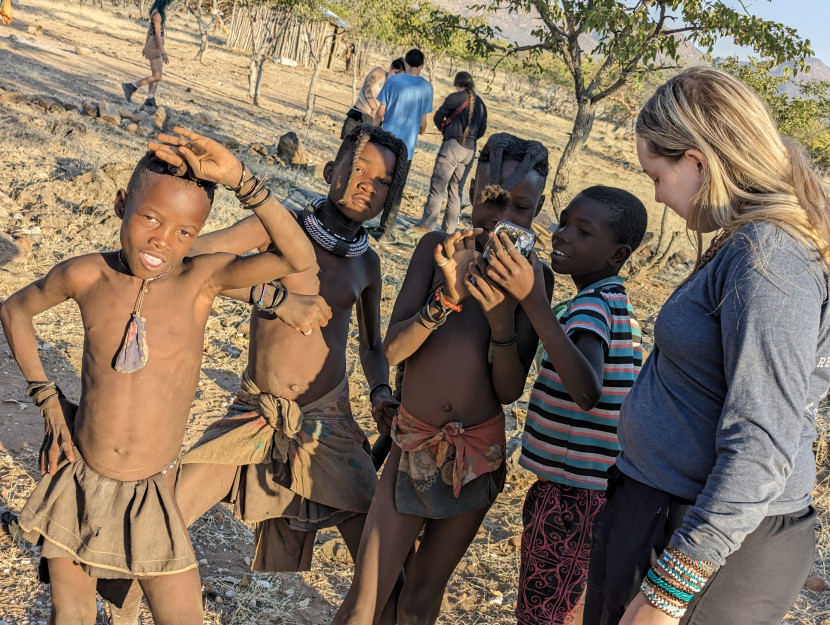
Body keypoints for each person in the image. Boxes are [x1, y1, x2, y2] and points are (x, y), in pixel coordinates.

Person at [0, 128, 315, 624]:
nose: (161, 241)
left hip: (151, 495)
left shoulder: (201, 281)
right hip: (79, 480)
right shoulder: (85, 276)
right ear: (122, 203)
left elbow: (300, 258)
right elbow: (15, 310)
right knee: (72, 615)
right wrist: (47, 398)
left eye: (184, 233)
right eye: (150, 217)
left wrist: (240, 179)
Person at [109, 123, 412, 623]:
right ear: (331, 169)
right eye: (358, 169)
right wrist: (270, 296)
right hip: (256, 412)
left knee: (383, 563)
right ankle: (119, 613)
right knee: (164, 518)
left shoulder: (368, 265)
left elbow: (373, 346)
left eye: (382, 182)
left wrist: (380, 390)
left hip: (327, 424)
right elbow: (194, 264)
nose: (366, 185)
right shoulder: (278, 226)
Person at [583, 66, 830, 625]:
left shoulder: (770, 257)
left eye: (656, 175)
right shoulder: (752, 239)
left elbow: (762, 445)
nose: (656, 194)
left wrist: (669, 591)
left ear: (697, 162)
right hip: (673, 512)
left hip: (706, 535)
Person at [331, 133, 553, 625]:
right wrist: (446, 298)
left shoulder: (535, 279)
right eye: (493, 201)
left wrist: (500, 318)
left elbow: (509, 390)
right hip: (413, 445)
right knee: (364, 602)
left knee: (419, 602)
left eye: (522, 208)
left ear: (538, 210)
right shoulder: (435, 250)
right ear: (471, 189)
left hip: (477, 456)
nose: (504, 220)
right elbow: (392, 350)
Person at [481, 186, 647, 625]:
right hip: (589, 490)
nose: (561, 236)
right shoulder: (611, 302)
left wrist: (534, 303)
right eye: (563, 222)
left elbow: (587, 391)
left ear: (618, 253)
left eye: (583, 232)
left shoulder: (591, 308)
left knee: (543, 613)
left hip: (574, 497)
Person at [371, 48, 434, 244]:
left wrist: (373, 130)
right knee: (396, 189)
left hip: (386, 142)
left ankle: (362, 218)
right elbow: (423, 124)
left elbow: (380, 112)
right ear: (422, 65)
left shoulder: (393, 81)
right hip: (406, 147)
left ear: (405, 63)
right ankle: (386, 232)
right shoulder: (427, 87)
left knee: (375, 180)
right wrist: (419, 130)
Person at [414, 72, 488, 233]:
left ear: (457, 83)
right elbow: (482, 130)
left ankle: (426, 226)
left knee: (438, 188)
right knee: (456, 191)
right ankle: (449, 229)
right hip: (469, 151)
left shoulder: (455, 97)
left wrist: (445, 129)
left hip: (452, 147)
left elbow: (438, 116)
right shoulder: (481, 104)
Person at [122, 0, 171, 109]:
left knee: (156, 75)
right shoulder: (157, 14)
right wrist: (163, 52)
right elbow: (157, 34)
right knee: (157, 76)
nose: (168, 5)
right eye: (168, 3)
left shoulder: (155, 11)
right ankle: (131, 86)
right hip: (155, 46)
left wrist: (145, 45)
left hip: (153, 45)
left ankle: (150, 99)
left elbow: (150, 30)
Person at [341, 58, 405, 140]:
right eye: (395, 73)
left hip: (373, 126)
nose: (395, 77)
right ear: (390, 68)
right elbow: (366, 88)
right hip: (356, 117)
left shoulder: (395, 89)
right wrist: (374, 109)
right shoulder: (379, 72)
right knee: (346, 148)